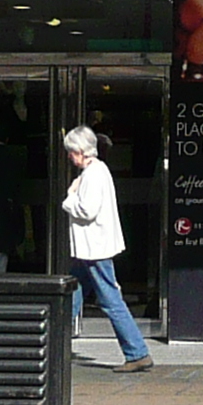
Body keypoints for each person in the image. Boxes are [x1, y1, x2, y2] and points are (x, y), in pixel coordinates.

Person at [61, 124, 154, 372]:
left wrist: (70, 199)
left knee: (111, 300)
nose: (70, 157)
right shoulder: (99, 170)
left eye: (71, 152)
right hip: (91, 249)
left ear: (81, 151)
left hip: (94, 249)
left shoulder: (92, 175)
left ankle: (137, 351)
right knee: (73, 292)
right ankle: (56, 342)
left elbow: (87, 210)